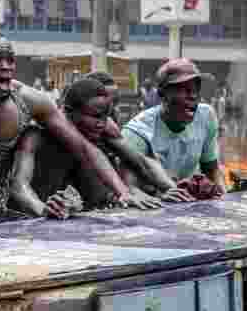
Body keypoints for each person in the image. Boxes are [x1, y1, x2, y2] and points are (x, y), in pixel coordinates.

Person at [0, 31, 161, 233]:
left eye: (10, 60)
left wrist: (123, 193)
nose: (6, 66)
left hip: (1, 205)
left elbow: (83, 147)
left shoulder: (29, 99)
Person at [30, 77, 192, 212]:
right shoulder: (39, 134)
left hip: (86, 209)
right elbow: (19, 186)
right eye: (95, 116)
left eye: (105, 115)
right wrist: (42, 209)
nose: (101, 123)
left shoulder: (106, 126)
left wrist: (171, 189)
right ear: (69, 112)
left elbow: (141, 161)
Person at [121, 58, 225, 193]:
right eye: (184, 90)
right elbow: (129, 187)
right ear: (163, 94)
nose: (193, 96)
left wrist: (223, 198)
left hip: (191, 204)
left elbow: (211, 169)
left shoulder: (206, 116)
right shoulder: (138, 131)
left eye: (195, 89)